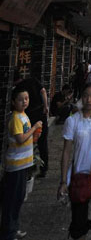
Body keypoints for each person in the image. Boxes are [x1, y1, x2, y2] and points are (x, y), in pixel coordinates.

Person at [58, 82, 91, 240]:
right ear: (81, 97)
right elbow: (67, 151)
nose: (89, 99)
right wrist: (63, 181)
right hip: (79, 176)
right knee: (78, 221)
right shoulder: (73, 121)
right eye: (85, 96)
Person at [0, 85, 42, 240]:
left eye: (26, 98)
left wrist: (35, 134)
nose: (24, 102)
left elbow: (27, 137)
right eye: (20, 99)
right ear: (13, 102)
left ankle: (13, 228)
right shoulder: (15, 117)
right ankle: (8, 233)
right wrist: (34, 128)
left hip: (23, 164)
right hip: (16, 165)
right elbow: (20, 138)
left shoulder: (23, 115)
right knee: (11, 200)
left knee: (18, 198)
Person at [13, 69, 49, 178]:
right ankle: (44, 168)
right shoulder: (33, 80)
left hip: (27, 117)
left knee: (29, 142)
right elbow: (43, 91)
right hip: (40, 114)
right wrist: (46, 106)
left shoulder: (17, 89)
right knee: (42, 142)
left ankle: (30, 167)